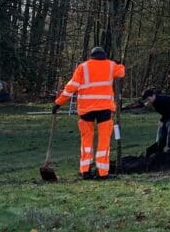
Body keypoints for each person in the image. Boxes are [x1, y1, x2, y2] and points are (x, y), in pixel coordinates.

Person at [52, 47, 125, 179]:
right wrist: (118, 63)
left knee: (86, 141)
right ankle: (102, 173)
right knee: (104, 141)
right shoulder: (111, 65)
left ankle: (85, 171)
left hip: (86, 110)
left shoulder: (82, 67)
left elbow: (70, 88)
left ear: (91, 56)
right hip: (104, 109)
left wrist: (58, 103)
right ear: (104, 56)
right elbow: (121, 73)